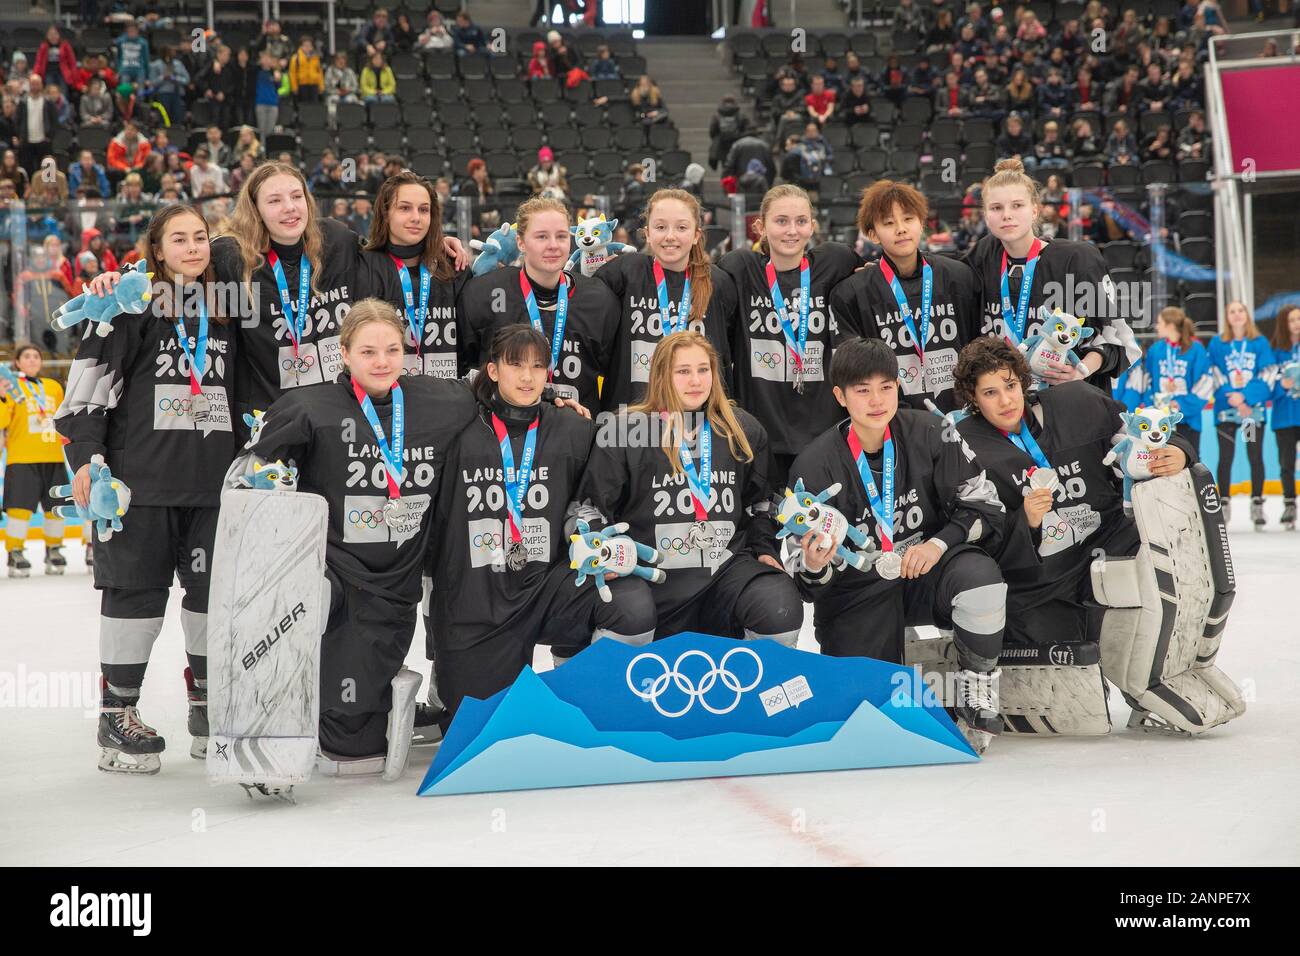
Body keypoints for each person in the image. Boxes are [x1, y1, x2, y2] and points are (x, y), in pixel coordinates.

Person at [232, 300, 478, 768]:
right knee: (342, 735)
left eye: (391, 349)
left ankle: (377, 707)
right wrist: (260, 482)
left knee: (355, 747)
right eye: (368, 352)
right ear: (343, 353)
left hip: (396, 582)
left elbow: (498, 392)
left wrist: (554, 401)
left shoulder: (443, 399)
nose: (382, 361)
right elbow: (249, 472)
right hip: (333, 572)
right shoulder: (309, 406)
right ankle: (276, 721)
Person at [54, 204, 238, 775]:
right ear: (155, 251)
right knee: (135, 599)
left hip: (212, 487)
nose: (192, 248)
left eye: (201, 238)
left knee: (213, 598)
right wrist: (86, 458)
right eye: (178, 239)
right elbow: (87, 391)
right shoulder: (127, 306)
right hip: (140, 487)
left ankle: (207, 704)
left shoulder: (227, 310)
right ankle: (119, 713)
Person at [786, 337, 1010, 751]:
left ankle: (977, 687)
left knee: (979, 578)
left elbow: (987, 506)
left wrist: (939, 545)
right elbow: (802, 577)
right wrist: (816, 565)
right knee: (864, 721)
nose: (876, 400)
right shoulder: (813, 463)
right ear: (839, 395)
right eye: (862, 390)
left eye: (886, 387)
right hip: (857, 591)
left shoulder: (932, 430)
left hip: (926, 569)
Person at [427, 325, 655, 719]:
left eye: (538, 366)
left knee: (629, 602)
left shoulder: (573, 427)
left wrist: (597, 540)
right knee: (484, 734)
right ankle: (447, 682)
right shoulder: (458, 425)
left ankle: (588, 699)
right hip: (476, 602)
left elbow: (596, 497)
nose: (528, 377)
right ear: (493, 370)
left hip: (547, 588)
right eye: (515, 365)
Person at [951, 336, 1194, 658]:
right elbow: (976, 537)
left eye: (1010, 386)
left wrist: (1179, 451)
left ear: (1023, 381)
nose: (1006, 401)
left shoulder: (1080, 402)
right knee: (1063, 679)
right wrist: (1025, 521)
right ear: (973, 398)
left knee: (1147, 640)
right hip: (1041, 581)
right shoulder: (965, 447)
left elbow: (1145, 431)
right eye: (990, 392)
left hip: (1110, 547)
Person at [575, 330, 803, 647]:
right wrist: (604, 552)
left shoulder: (743, 428)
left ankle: (756, 689)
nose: (695, 380)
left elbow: (761, 504)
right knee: (629, 610)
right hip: (651, 577)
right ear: (660, 375)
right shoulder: (623, 430)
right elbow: (590, 508)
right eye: (683, 371)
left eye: (703, 369)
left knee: (779, 603)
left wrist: (765, 548)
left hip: (724, 574)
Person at [717, 185, 859, 487]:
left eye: (801, 221)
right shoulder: (740, 268)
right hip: (759, 431)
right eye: (781, 221)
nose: (791, 231)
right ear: (760, 226)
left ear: (812, 225)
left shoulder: (836, 262)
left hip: (823, 430)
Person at [962, 159, 1140, 393]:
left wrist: (1080, 371)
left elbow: (1117, 340)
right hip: (1006, 407)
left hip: (1068, 406)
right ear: (986, 215)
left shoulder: (1076, 259)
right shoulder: (982, 258)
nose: (1007, 215)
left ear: (1035, 210)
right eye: (996, 208)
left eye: (1017, 205)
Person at [830, 180, 983, 414]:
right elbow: (856, 373)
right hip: (896, 423)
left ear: (922, 223)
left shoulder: (960, 277)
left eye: (908, 219)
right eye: (889, 223)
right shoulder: (851, 294)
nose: (901, 229)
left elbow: (978, 347)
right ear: (873, 234)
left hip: (964, 417)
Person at [460, 196, 617, 412]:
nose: (553, 245)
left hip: (575, 432)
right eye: (541, 236)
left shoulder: (599, 298)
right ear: (520, 242)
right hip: (500, 432)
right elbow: (467, 366)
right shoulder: (484, 292)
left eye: (561, 236)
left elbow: (610, 372)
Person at [593, 189, 738, 412]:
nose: (670, 236)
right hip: (633, 420)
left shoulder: (718, 283)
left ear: (697, 235)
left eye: (681, 227)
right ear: (647, 233)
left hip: (699, 422)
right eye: (660, 227)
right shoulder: (624, 272)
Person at [356, 169, 466, 378]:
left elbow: (470, 344)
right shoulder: (362, 266)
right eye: (405, 208)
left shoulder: (454, 266)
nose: (416, 217)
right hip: (385, 400)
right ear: (386, 213)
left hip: (446, 398)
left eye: (424, 210)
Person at [0, 344, 66, 576]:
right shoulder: (10, 386)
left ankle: (54, 549)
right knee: (19, 510)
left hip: (53, 456)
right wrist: (1, 396)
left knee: (55, 509)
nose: (32, 360)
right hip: (21, 458)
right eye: (26, 356)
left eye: (36, 356)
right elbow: (1, 422)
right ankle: (15, 552)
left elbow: (63, 418)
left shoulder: (54, 387)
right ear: (17, 362)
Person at [1208, 301, 1274, 528]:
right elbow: (1214, 374)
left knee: (1254, 456)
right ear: (1227, 316)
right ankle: (1223, 503)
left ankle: (1256, 503)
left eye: (1240, 311)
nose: (1237, 315)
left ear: (1247, 315)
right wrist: (1234, 398)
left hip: (1250, 413)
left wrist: (1246, 398)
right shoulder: (1218, 343)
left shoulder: (1259, 343)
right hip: (1227, 411)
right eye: (1232, 311)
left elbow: (1268, 373)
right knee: (1226, 457)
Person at [1270, 303, 1300, 530]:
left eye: (1299, 319)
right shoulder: (1275, 352)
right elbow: (1266, 386)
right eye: (1292, 320)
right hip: (1284, 418)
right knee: (1286, 463)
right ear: (1284, 323)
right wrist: (1282, 385)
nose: (1296, 324)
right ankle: (1290, 504)